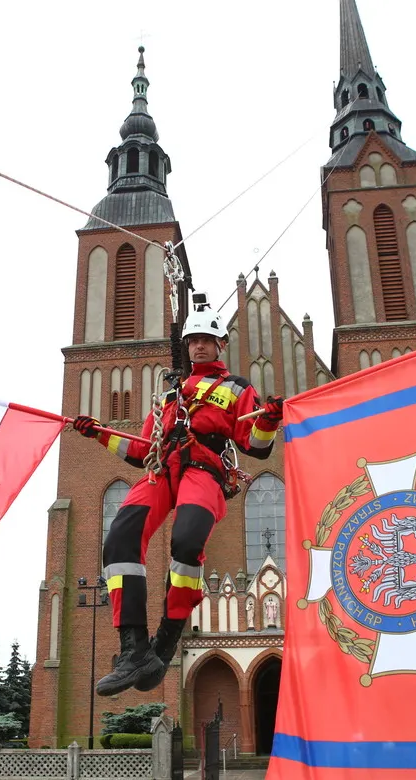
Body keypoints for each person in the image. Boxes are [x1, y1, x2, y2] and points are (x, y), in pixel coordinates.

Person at [73, 293, 283, 695]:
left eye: (206, 339)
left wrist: (269, 420)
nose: (198, 345)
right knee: (118, 542)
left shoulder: (237, 388)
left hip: (204, 470)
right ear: (186, 347)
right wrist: (98, 433)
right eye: (192, 340)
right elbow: (138, 450)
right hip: (162, 470)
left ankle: (166, 638)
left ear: (220, 344)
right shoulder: (170, 394)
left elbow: (255, 444)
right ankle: (133, 647)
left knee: (186, 542)